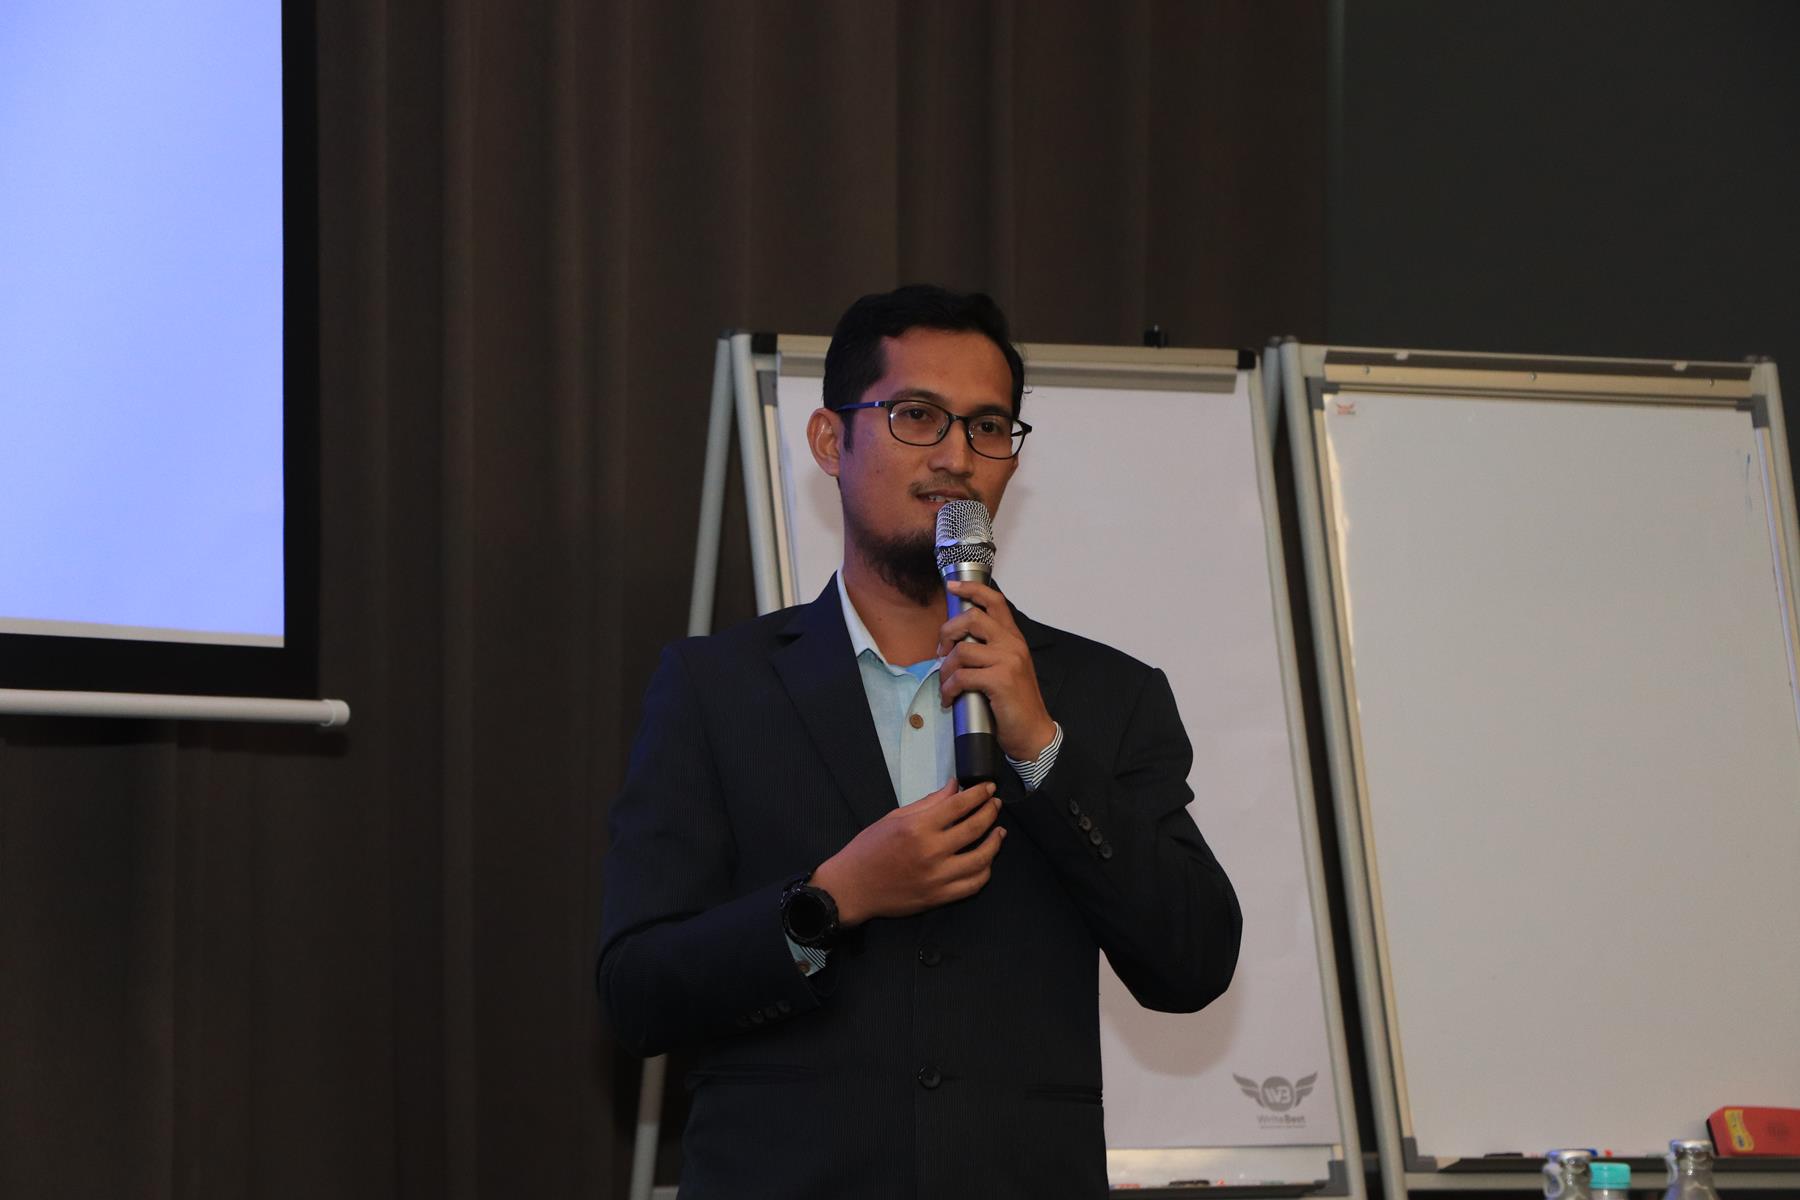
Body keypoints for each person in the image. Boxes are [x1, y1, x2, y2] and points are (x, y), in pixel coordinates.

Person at [599, 285, 1241, 1198]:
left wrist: (1043, 748)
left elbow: (1193, 964)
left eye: (989, 427)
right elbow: (637, 993)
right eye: (916, 416)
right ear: (831, 440)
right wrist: (831, 901)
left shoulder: (1108, 696)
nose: (956, 455)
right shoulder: (715, 689)